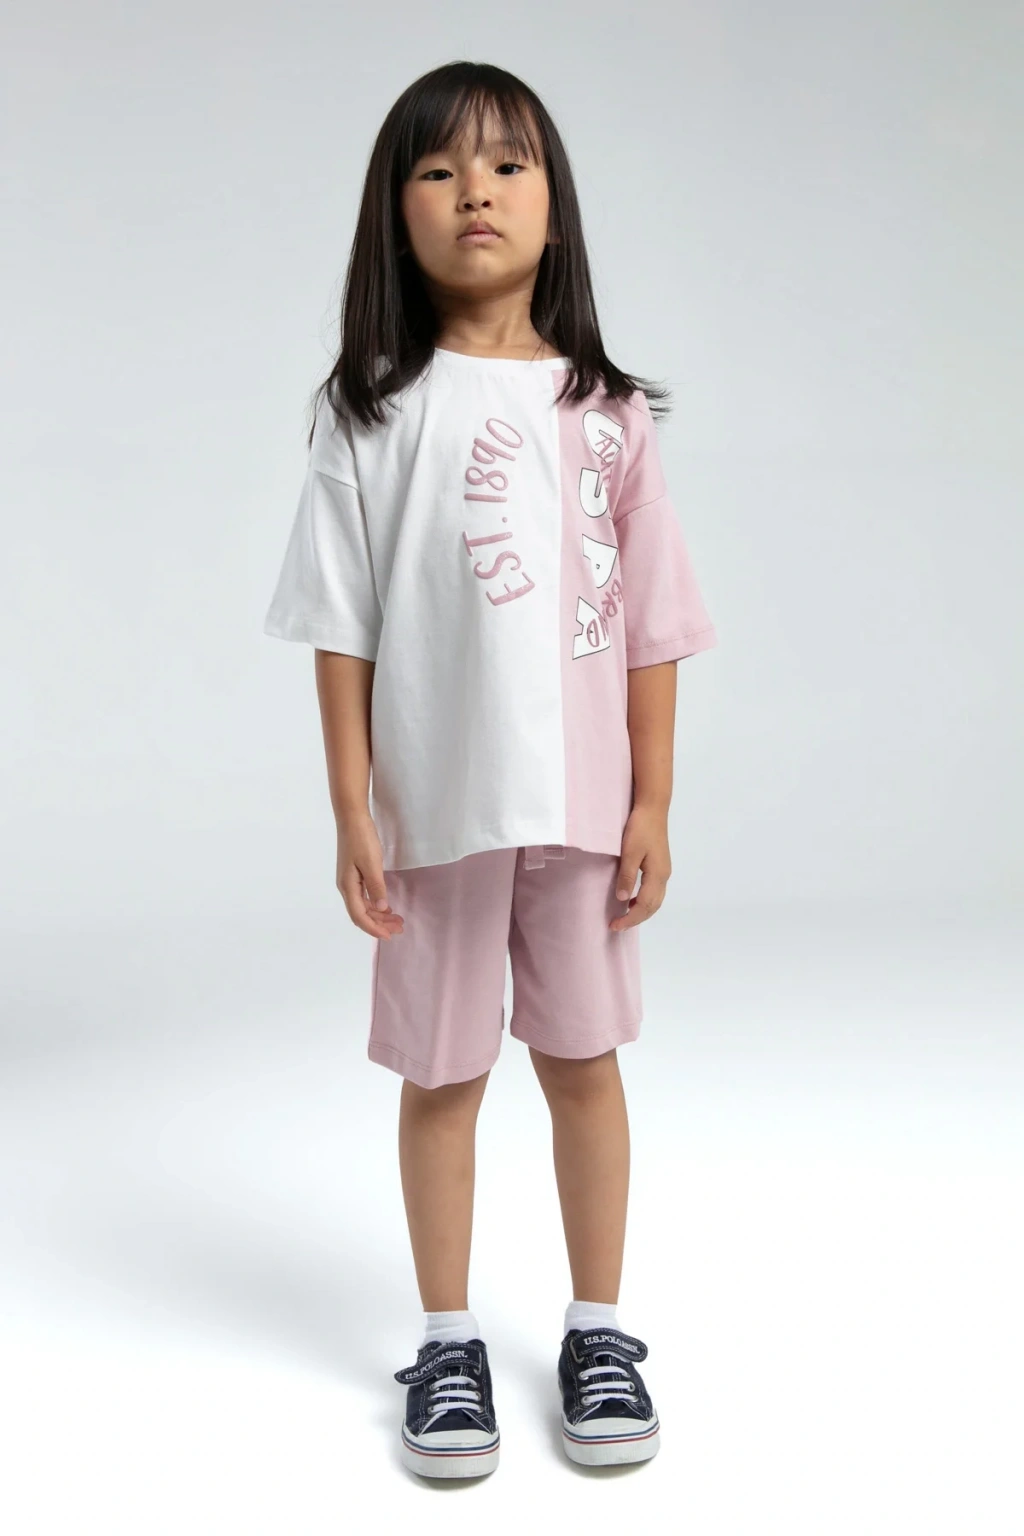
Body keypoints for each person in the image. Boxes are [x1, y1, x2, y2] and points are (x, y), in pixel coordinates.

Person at [262, 60, 717, 1478]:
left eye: (510, 165)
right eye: (440, 168)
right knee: (443, 1073)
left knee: (584, 1063)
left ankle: (599, 1330)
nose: (477, 191)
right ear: (394, 213)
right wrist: (352, 808)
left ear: (553, 208)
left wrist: (653, 799)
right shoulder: (368, 411)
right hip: (435, 817)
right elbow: (341, 625)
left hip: (581, 815)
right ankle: (448, 1342)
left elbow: (652, 623)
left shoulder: (607, 413)